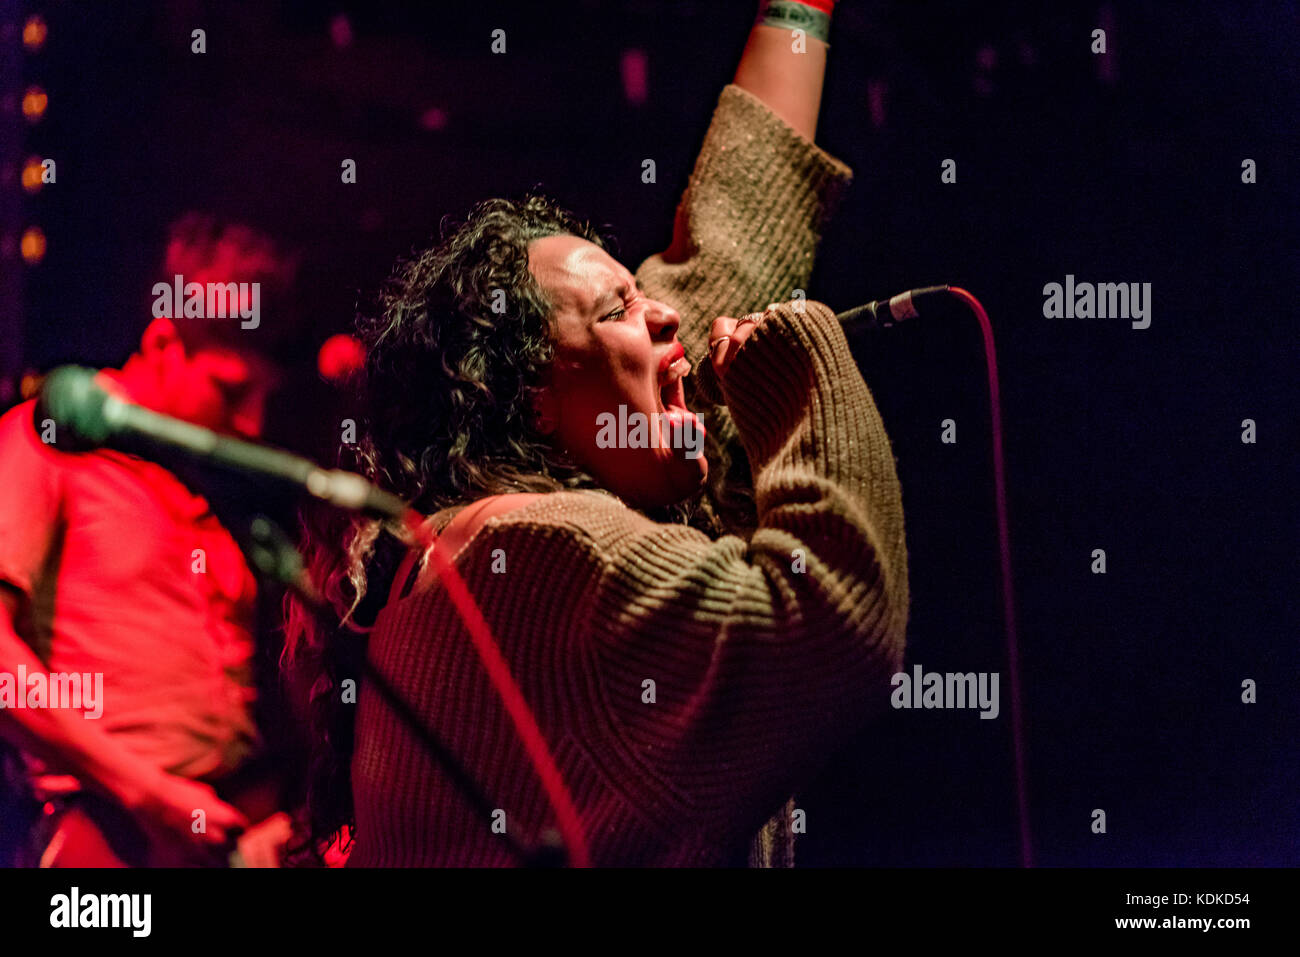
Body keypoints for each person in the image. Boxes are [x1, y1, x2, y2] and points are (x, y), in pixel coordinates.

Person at [289, 0, 909, 866]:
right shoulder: (535, 552)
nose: (663, 317)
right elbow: (833, 629)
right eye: (619, 307)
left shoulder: (514, 523)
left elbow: (729, 244)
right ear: (532, 395)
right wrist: (808, 362)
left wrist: (798, 11)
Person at [0, 214, 299, 866]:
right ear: (165, 342)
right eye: (229, 388)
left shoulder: (207, 489)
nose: (250, 420)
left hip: (218, 836)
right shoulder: (47, 440)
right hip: (103, 839)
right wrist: (153, 795)